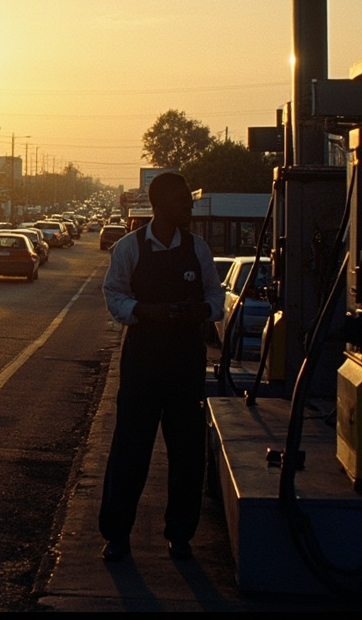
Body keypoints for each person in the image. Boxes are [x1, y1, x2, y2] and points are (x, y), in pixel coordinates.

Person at [98, 171, 224, 563]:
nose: (189, 205)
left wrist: (201, 310)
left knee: (187, 452)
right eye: (182, 199)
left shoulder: (197, 249)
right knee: (130, 449)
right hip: (143, 362)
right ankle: (117, 535)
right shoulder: (129, 248)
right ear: (161, 204)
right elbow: (113, 294)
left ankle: (180, 536)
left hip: (186, 361)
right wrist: (144, 311)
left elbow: (216, 296)